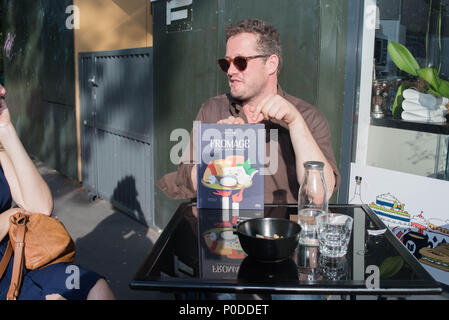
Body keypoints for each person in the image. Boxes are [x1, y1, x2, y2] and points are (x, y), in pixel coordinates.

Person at [157, 19, 340, 204]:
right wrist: (219, 151)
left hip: (280, 230)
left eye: (240, 61)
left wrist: (295, 122)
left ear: (271, 64)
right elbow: (185, 181)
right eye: (226, 63)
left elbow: (319, 196)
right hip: (224, 228)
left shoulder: (307, 117)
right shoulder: (212, 110)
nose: (230, 70)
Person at [0, 84, 115, 300]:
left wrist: (6, 129)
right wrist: (9, 216)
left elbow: (40, 207)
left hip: (25, 254)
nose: (3, 90)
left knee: (97, 289)